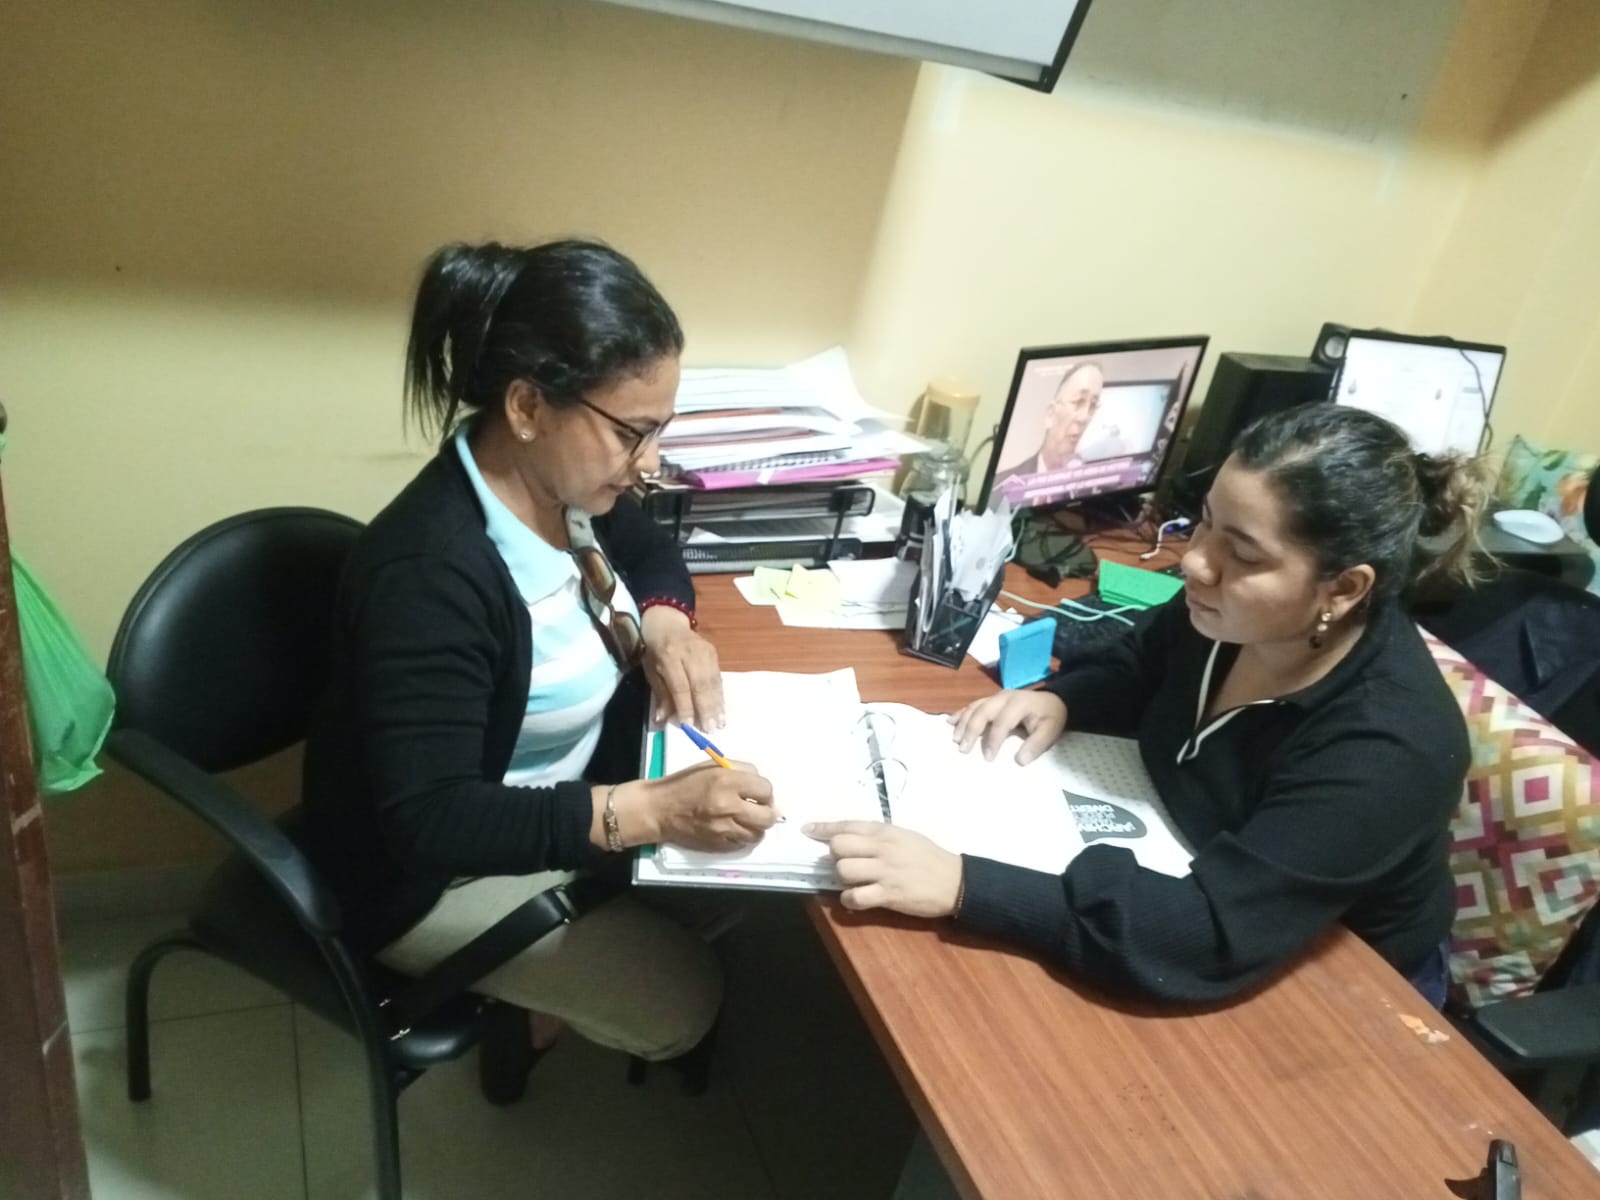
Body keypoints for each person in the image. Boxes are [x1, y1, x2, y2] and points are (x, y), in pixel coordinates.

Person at [809, 403, 1487, 1008]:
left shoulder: (1389, 749)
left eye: (1241, 553)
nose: (1196, 563)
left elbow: (1205, 934)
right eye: (1206, 523)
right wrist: (1066, 701)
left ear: (1342, 589)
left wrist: (964, 885)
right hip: (1186, 861)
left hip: (1336, 986)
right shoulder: (1227, 613)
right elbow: (1140, 662)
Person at [302, 239, 777, 1096]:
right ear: (527, 406)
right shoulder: (428, 575)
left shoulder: (568, 488)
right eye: (632, 433)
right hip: (429, 873)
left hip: (564, 790)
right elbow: (432, 821)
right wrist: (644, 812)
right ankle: (521, 1012)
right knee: (688, 1000)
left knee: (759, 892)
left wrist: (666, 623)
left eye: (660, 431)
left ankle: (559, 968)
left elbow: (649, 548)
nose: (649, 463)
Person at [991, 360, 1104, 492]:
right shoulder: (1000, 486)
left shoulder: (1094, 488)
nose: (1084, 417)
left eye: (1093, 405)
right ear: (1050, 414)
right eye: (1078, 401)